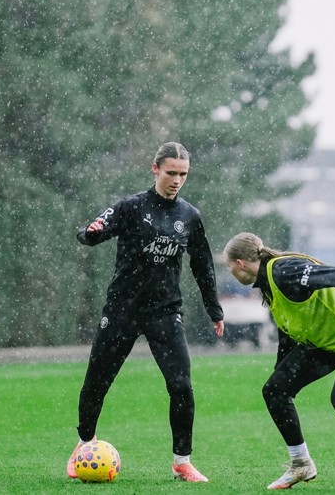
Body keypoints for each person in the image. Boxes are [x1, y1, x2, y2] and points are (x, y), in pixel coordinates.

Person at [67, 142, 225, 483]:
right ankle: (83, 446)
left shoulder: (190, 216)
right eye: (171, 173)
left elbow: (202, 266)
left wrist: (214, 309)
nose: (177, 180)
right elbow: (95, 230)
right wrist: (89, 233)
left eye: (183, 174)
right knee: (97, 382)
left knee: (181, 385)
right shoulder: (131, 207)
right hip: (122, 309)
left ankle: (182, 462)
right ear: (155, 169)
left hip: (164, 312)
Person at [222, 232, 335, 493]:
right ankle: (301, 463)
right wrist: (281, 374)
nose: (232, 274)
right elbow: (287, 331)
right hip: (326, 343)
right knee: (275, 391)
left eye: (230, 267)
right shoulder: (268, 284)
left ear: (240, 263)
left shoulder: (285, 271)